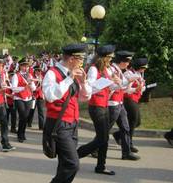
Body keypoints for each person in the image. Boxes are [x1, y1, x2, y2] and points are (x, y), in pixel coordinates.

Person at [42, 43, 91, 183]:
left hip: (73, 122)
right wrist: (69, 79)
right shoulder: (52, 73)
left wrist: (83, 82)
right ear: (71, 59)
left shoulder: (75, 73)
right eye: (80, 59)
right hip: (59, 123)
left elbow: (85, 97)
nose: (82, 62)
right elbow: (50, 95)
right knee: (72, 164)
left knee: (65, 163)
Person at [77, 45, 118, 175]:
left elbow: (110, 87)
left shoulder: (106, 69)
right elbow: (90, 89)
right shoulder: (93, 70)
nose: (111, 60)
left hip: (104, 105)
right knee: (102, 139)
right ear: (104, 57)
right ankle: (76, 155)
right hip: (96, 106)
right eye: (110, 58)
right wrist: (108, 81)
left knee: (104, 138)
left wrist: (116, 83)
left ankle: (101, 166)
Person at [108, 51, 140, 160]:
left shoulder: (119, 70)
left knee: (126, 128)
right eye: (127, 61)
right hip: (112, 103)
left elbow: (124, 89)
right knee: (106, 129)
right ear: (122, 61)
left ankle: (126, 152)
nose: (128, 64)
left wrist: (135, 88)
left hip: (119, 103)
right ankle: (94, 149)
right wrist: (127, 80)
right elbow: (114, 86)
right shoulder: (112, 70)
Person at [113, 58, 148, 153]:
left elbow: (141, 88)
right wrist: (136, 89)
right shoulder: (129, 74)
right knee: (133, 122)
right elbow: (125, 90)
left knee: (137, 122)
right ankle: (129, 143)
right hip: (129, 99)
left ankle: (118, 135)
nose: (145, 69)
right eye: (143, 67)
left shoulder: (139, 74)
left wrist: (143, 88)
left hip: (135, 99)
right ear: (139, 67)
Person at [11, 57, 36, 143]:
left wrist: (31, 84)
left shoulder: (29, 75)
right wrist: (24, 87)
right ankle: (20, 134)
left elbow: (34, 88)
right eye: (24, 66)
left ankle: (22, 132)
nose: (25, 68)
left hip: (28, 98)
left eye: (27, 66)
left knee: (26, 117)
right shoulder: (16, 76)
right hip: (19, 98)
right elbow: (13, 88)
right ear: (20, 66)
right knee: (22, 116)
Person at [27, 65, 45, 130]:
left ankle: (41, 126)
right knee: (31, 110)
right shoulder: (32, 77)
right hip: (34, 96)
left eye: (40, 71)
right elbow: (32, 88)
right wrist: (39, 87)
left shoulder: (41, 77)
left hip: (40, 96)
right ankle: (29, 123)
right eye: (38, 71)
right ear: (35, 71)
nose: (39, 72)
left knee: (41, 111)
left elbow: (44, 86)